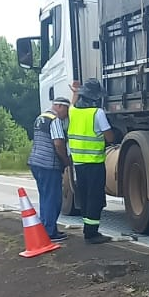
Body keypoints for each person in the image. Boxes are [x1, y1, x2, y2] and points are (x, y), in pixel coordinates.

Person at [67, 79, 116, 245]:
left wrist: (74, 92)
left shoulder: (73, 112)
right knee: (95, 198)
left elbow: (72, 104)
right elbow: (109, 136)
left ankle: (88, 230)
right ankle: (92, 233)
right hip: (94, 162)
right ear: (96, 98)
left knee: (86, 197)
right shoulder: (97, 113)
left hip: (79, 163)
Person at [28, 96, 71, 242]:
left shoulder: (40, 118)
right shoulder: (55, 120)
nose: (66, 114)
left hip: (36, 162)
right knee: (53, 199)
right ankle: (50, 231)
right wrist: (66, 161)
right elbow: (58, 143)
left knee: (45, 197)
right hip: (49, 164)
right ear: (59, 106)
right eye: (66, 110)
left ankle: (45, 228)